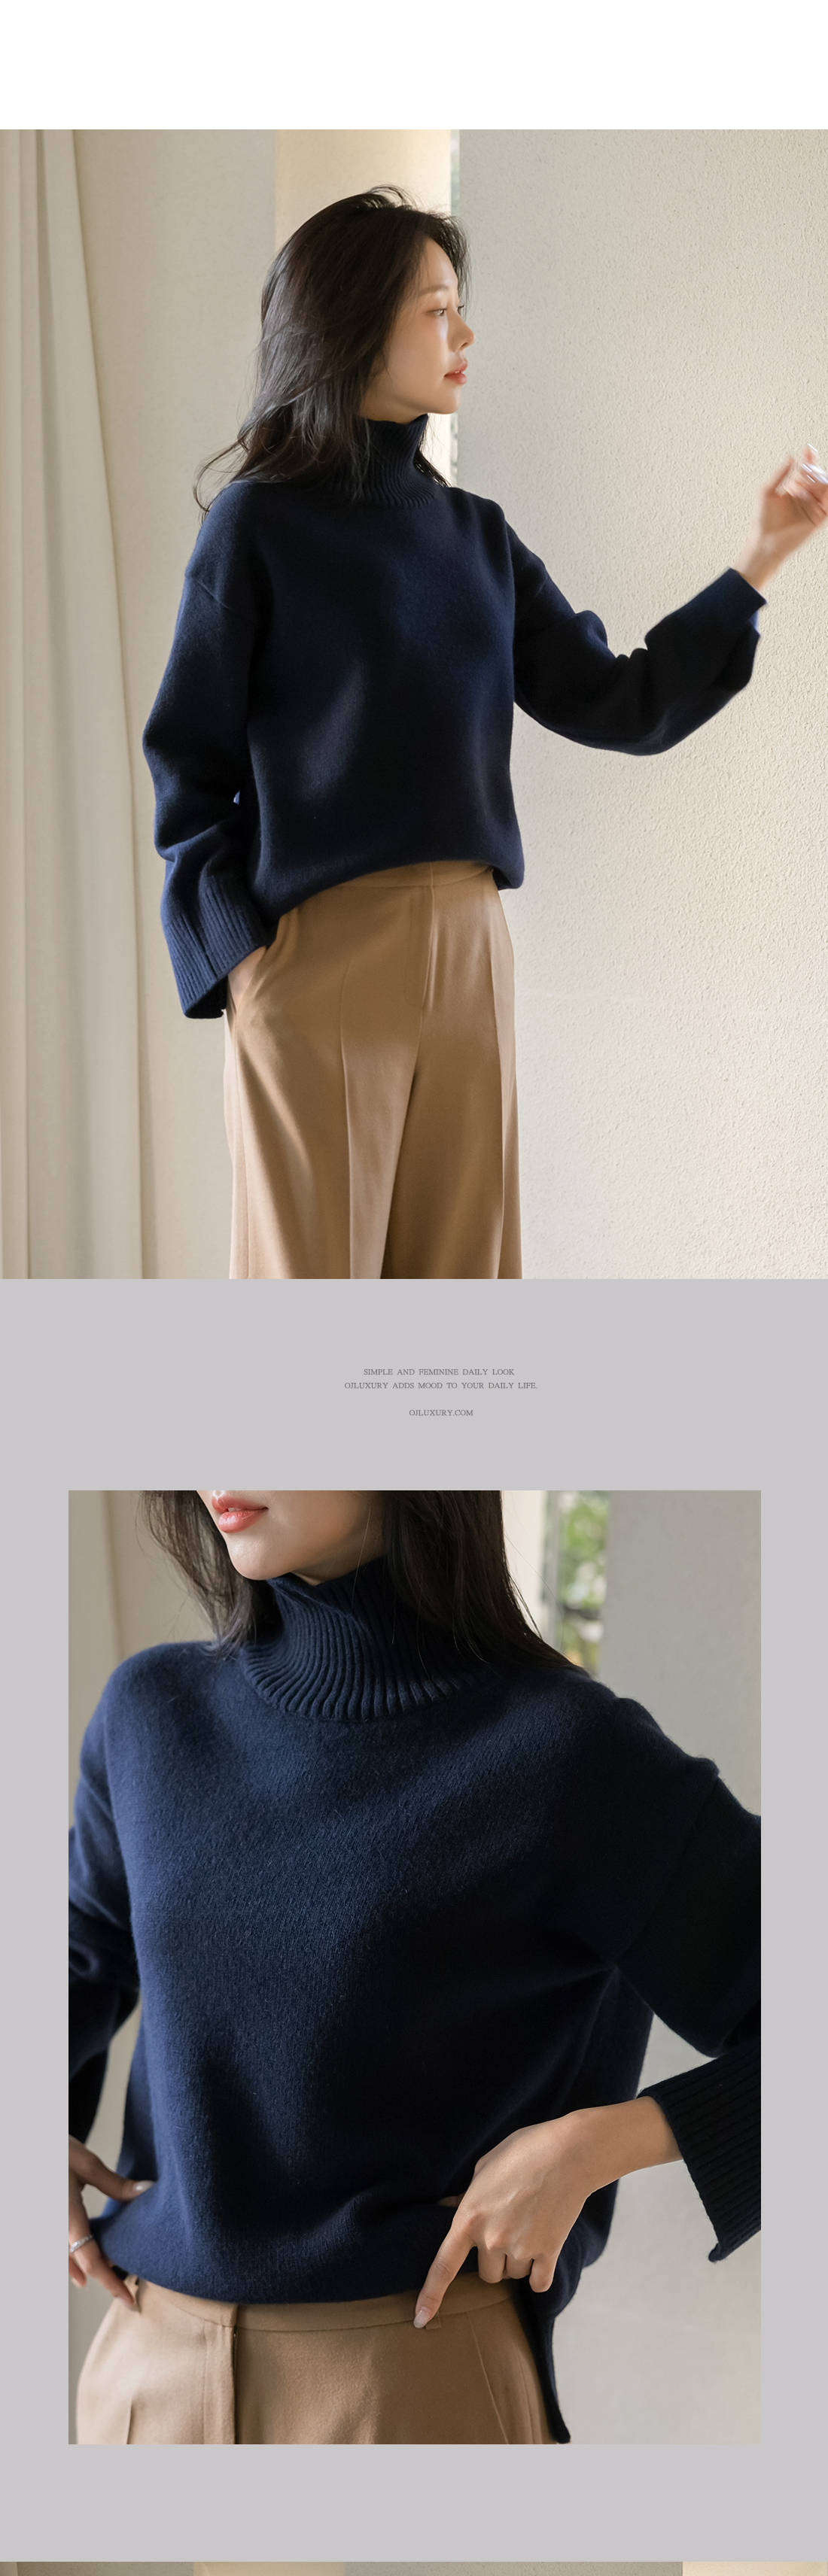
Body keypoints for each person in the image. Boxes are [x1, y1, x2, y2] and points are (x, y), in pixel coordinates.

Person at [142, 190, 828, 1280]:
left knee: (460, 1319)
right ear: (352, 327)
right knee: (305, 1324)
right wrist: (241, 962)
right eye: (435, 310)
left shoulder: (475, 536)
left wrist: (762, 559)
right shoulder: (257, 526)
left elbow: (622, 701)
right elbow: (187, 760)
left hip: (470, 950)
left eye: (457, 308)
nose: (462, 334)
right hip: (314, 954)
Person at [68, 1490, 760, 2449]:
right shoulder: (150, 1714)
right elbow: (85, 1947)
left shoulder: (568, 1754)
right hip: (143, 2367)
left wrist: (600, 2144)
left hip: (412, 2379)